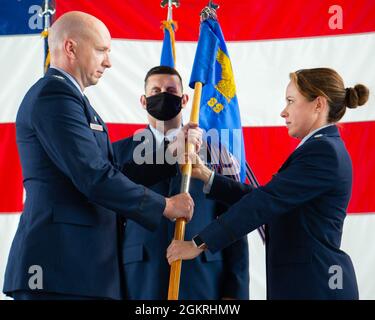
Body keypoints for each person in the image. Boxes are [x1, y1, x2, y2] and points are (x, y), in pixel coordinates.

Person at [3, 11, 200, 300]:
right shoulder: (54, 97)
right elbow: (93, 176)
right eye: (101, 51)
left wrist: (172, 155)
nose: (108, 61)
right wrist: (165, 205)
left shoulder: (73, 100)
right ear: (71, 48)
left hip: (79, 270)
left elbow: (112, 168)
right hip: (57, 271)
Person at [167, 68, 370, 299]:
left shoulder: (323, 151)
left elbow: (264, 202)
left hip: (316, 287)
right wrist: (206, 175)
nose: (284, 112)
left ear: (319, 104)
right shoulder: (322, 148)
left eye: (291, 101)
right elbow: (268, 198)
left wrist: (198, 243)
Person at [112, 66, 249, 299]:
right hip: (139, 278)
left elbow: (236, 220)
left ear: (185, 99)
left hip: (205, 278)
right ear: (144, 101)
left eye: (171, 90)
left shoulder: (215, 151)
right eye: (155, 90)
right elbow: (110, 224)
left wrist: (234, 292)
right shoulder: (118, 153)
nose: (163, 95)